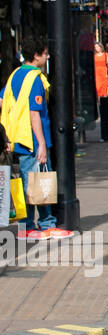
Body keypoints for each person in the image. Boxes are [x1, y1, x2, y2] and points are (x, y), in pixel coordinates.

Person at [1, 35, 64, 236]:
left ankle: (29, 225)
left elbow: (2, 99)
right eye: (45, 54)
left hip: (17, 137)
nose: (47, 58)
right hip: (32, 139)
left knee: (27, 181)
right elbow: (34, 112)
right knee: (38, 181)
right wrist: (42, 144)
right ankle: (42, 224)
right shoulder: (35, 79)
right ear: (36, 56)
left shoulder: (15, 75)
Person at [93, 40, 108, 142]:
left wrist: (107, 74)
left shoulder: (105, 55)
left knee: (104, 91)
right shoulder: (94, 56)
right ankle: (99, 99)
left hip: (103, 75)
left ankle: (103, 98)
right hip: (97, 75)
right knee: (98, 89)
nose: (97, 48)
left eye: (98, 47)